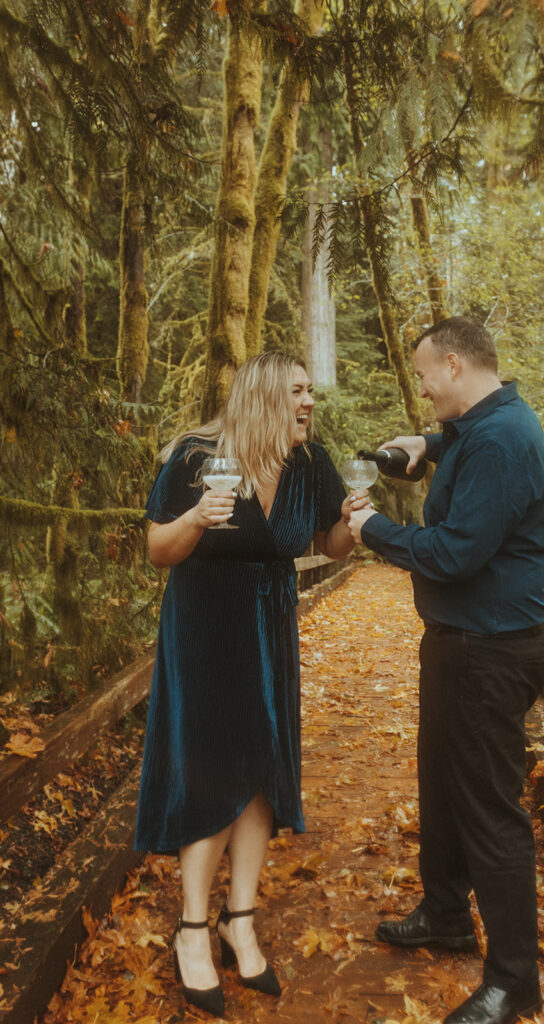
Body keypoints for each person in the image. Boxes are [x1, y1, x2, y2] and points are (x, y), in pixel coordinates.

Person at [135, 351, 369, 1016]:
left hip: (271, 628)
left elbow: (326, 545)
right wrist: (194, 520)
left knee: (264, 768)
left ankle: (239, 919)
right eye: (298, 391)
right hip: (204, 630)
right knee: (210, 767)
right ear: (266, 394)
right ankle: (190, 928)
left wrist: (352, 525)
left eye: (311, 392)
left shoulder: (310, 465)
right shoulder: (193, 456)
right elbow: (158, 549)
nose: (309, 402)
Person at [348, 317, 544, 1024]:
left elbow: (452, 553)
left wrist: (370, 529)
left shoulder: (501, 439)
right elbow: (461, 446)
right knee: (440, 785)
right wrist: (426, 446)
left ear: (454, 365)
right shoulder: (483, 427)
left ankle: (513, 980)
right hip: (460, 643)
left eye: (425, 377)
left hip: (489, 649)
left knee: (489, 811)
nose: (423, 389)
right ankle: (443, 915)